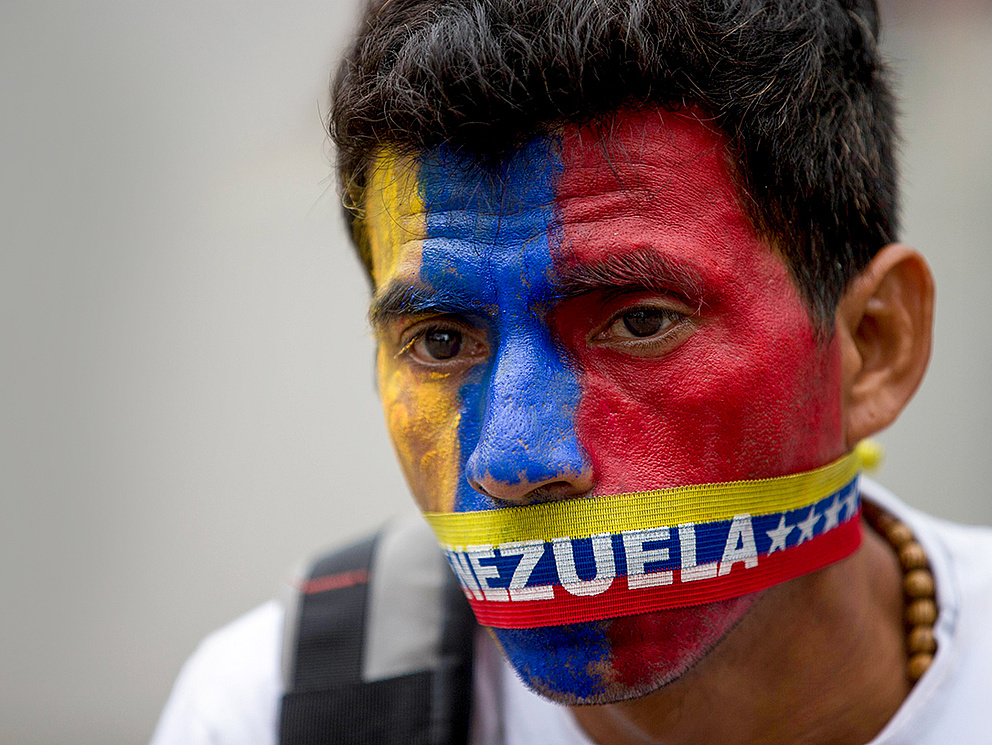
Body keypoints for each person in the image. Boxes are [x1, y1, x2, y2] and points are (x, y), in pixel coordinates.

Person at [151, 1, 992, 743]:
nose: (517, 460)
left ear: (874, 344)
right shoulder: (268, 712)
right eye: (440, 340)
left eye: (640, 321)